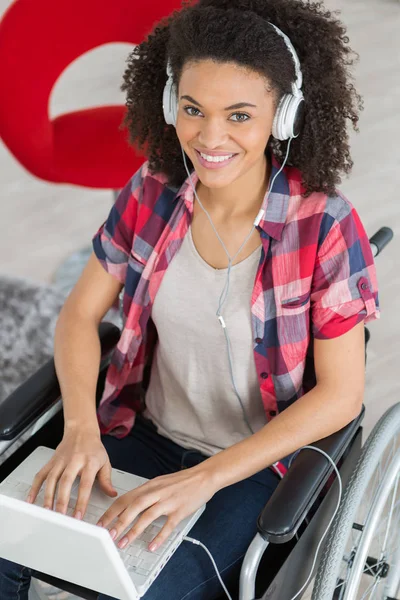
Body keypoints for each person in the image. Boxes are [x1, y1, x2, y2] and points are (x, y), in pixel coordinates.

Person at [0, 0, 380, 598]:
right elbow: (79, 314)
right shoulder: (151, 191)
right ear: (170, 100)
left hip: (251, 469)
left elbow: (342, 396)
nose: (210, 136)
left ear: (282, 118)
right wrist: (79, 429)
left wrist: (205, 480)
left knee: (142, 588)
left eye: (239, 115)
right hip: (145, 431)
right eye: (194, 109)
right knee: (7, 537)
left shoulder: (325, 226)